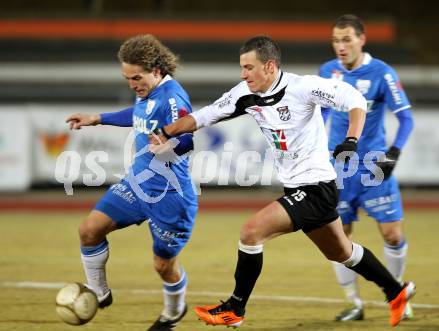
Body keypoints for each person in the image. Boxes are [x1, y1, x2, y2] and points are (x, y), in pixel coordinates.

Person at [149, 35, 415, 328]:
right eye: (242, 67)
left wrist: (351, 139)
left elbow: (353, 99)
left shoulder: (303, 87)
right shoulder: (244, 93)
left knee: (251, 232)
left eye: (249, 67)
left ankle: (235, 308)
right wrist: (166, 131)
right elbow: (204, 116)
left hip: (315, 187)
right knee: (341, 251)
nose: (243, 74)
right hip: (298, 187)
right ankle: (396, 290)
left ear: (270, 66)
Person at [66, 34, 198, 331]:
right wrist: (97, 118)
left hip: (169, 196)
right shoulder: (146, 92)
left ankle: (175, 311)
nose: (132, 84)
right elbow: (137, 116)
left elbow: (188, 137)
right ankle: (98, 292)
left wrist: (170, 146)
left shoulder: (173, 99)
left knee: (163, 266)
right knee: (89, 230)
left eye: (136, 77)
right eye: (127, 78)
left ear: (156, 70)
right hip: (137, 184)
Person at [319, 14, 415, 322]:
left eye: (347, 39)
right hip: (338, 168)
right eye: (336, 40)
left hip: (374, 166)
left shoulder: (382, 73)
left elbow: (406, 118)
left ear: (362, 39)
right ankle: (353, 303)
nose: (340, 46)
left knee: (391, 234)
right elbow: (318, 115)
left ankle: (398, 295)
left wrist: (393, 154)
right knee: (338, 238)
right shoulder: (327, 72)